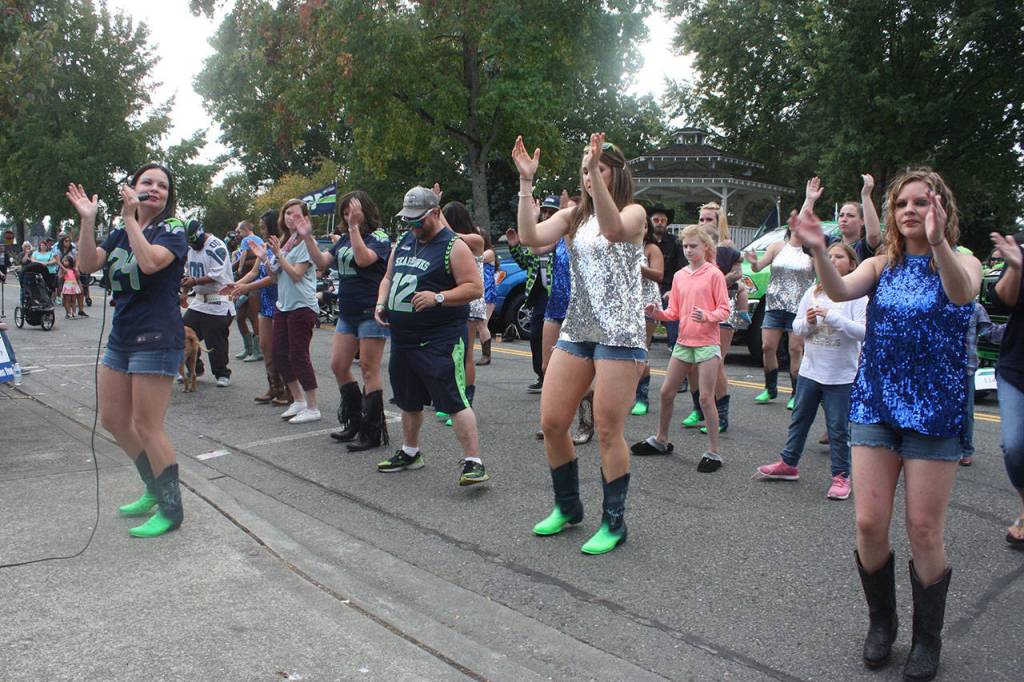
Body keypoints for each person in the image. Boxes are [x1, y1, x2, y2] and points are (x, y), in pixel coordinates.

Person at [792, 168, 981, 680]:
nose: (912, 211)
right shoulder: (881, 264)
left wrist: (940, 244)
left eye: (924, 202)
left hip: (934, 413)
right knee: (870, 522)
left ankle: (927, 639)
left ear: (942, 208)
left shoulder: (963, 260)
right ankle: (883, 622)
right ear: (893, 214)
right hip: (876, 403)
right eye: (903, 204)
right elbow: (837, 287)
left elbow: (962, 294)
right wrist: (816, 250)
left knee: (923, 528)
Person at [514, 132, 647, 555]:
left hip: (620, 334)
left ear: (615, 174)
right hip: (578, 329)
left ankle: (614, 521)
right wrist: (526, 185)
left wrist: (597, 179)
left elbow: (612, 230)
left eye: (598, 169)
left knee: (608, 429)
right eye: (586, 170)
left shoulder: (635, 212)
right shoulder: (572, 217)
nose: (589, 177)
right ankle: (568, 507)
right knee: (553, 421)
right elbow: (530, 236)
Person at [65, 162, 189, 538]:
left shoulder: (174, 229)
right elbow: (87, 264)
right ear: (132, 186)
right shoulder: (119, 230)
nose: (154, 189)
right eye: (146, 182)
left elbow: (151, 262)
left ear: (169, 196)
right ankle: (153, 489)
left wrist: (132, 218)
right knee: (114, 420)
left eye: (162, 186)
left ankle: (172, 508)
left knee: (148, 426)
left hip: (157, 337)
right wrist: (89, 220)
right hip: (122, 336)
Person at [373, 185, 489, 486]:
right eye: (408, 220)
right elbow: (388, 277)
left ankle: (474, 462)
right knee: (407, 399)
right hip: (403, 338)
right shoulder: (404, 243)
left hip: (440, 337)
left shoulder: (454, 245)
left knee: (453, 399)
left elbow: (474, 287)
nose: (413, 226)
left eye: (418, 220)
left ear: (435, 213)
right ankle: (411, 452)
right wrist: (382, 304)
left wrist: (438, 297)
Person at [753, 241, 867, 499]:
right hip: (810, 372)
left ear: (851, 264)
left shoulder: (857, 296)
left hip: (840, 377)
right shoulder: (812, 292)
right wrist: (810, 322)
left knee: (837, 428)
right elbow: (798, 328)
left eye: (839, 257)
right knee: (799, 420)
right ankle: (788, 463)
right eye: (828, 256)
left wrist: (832, 317)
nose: (832, 260)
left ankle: (841, 476)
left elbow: (863, 332)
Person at [631, 225, 730, 471]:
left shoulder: (714, 274)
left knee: (706, 397)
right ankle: (662, 440)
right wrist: (658, 313)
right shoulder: (679, 276)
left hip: (707, 343)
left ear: (705, 247)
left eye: (693, 246)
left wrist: (706, 316)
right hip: (684, 342)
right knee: (666, 392)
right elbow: (674, 313)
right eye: (685, 246)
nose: (688, 250)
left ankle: (714, 452)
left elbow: (725, 310)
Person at [302, 190, 392, 451]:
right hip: (348, 312)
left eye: (353, 211)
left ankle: (372, 431)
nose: (348, 216)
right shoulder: (342, 239)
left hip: (370, 311)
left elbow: (364, 260)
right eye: (345, 212)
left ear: (366, 211)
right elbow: (321, 262)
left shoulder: (379, 237)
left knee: (368, 368)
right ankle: (354, 420)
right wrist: (307, 235)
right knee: (339, 365)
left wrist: (353, 229)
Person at [744, 180, 817, 409]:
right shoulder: (778, 246)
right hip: (774, 305)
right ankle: (770, 388)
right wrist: (755, 262)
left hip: (798, 308)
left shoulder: (810, 251)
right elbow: (758, 268)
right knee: (767, 347)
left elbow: (822, 277)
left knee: (796, 349)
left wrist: (810, 199)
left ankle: (796, 392)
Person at [253, 199, 322, 424]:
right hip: (283, 305)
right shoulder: (285, 242)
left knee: (298, 355)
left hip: (302, 305)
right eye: (287, 214)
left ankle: (313, 406)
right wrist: (265, 258)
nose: (291, 217)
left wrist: (278, 256)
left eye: (296, 214)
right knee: (278, 353)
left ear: (305, 218)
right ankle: (298, 399)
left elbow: (296, 274)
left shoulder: (306, 243)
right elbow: (275, 277)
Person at [680, 202, 743, 432]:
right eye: (702, 219)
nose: (704, 223)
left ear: (719, 222)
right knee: (692, 365)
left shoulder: (726, 249)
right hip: (695, 314)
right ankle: (699, 409)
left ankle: (721, 415)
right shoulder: (692, 248)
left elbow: (738, 276)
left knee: (715, 364)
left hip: (720, 312)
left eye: (709, 219)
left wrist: (716, 280)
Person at [226, 210, 290, 405]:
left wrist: (247, 287)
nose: (260, 230)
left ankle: (289, 390)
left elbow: (272, 278)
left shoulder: (282, 246)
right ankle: (274, 387)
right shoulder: (263, 246)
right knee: (264, 346)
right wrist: (235, 285)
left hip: (280, 302)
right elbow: (254, 272)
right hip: (266, 303)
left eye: (263, 227)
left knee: (281, 349)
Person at [990, 231, 1024, 547]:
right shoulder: (1019, 245)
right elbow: (1001, 299)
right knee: (1015, 447)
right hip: (1017, 367)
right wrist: (1015, 267)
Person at [510, 195, 558, 392]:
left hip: (558, 293)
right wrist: (514, 247)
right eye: (544, 211)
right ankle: (542, 375)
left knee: (559, 338)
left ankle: (556, 376)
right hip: (539, 294)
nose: (546, 215)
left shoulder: (563, 236)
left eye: (550, 212)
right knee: (536, 335)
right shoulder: (537, 235)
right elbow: (524, 262)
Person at [181, 220, 235, 388]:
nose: (192, 245)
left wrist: (194, 281)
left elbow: (217, 275)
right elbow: (188, 274)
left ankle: (222, 373)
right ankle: (194, 367)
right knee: (182, 333)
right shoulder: (191, 249)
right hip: (199, 300)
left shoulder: (216, 247)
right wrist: (184, 293)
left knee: (215, 338)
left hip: (218, 299)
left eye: (193, 240)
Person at [630, 218, 665, 416]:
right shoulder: (622, 246)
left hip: (647, 305)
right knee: (626, 354)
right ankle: (627, 394)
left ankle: (642, 398)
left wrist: (638, 268)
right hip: (625, 306)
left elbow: (659, 275)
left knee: (640, 349)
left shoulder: (650, 248)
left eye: (643, 225)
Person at [647, 204, 685, 349]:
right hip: (648, 286)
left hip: (668, 287)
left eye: (663, 220)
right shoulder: (645, 242)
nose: (660, 223)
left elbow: (682, 268)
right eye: (656, 220)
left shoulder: (676, 243)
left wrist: (674, 289)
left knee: (672, 302)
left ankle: (674, 343)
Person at [477, 229, 499, 365]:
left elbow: (478, 258)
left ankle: (486, 355)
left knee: (482, 324)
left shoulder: (489, 253)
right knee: (478, 324)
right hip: (479, 293)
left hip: (488, 294)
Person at [58, 255, 84, 319]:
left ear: (70, 262)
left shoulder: (73, 269)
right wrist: (64, 273)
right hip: (67, 286)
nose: (64, 262)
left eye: (66, 261)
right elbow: (60, 277)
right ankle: (68, 313)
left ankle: (74, 313)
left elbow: (77, 277)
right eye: (63, 261)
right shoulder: (62, 269)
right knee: (67, 300)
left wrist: (77, 271)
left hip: (74, 285)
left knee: (73, 300)